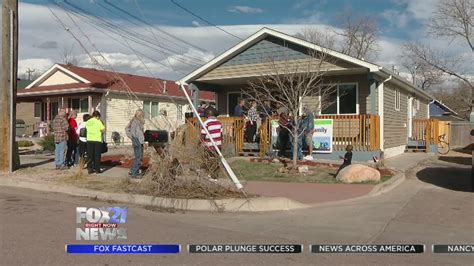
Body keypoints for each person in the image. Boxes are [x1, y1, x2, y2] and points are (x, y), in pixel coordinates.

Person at [200, 106, 222, 180]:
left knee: (208, 159)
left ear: (207, 115)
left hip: (209, 145)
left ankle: (211, 174)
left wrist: (199, 143)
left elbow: (202, 135)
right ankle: (214, 176)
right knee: (216, 160)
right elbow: (221, 134)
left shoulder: (206, 123)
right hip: (218, 145)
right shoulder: (219, 122)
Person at [125, 109, 145, 178]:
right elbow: (133, 132)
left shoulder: (139, 122)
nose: (141, 116)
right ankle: (134, 173)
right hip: (137, 141)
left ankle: (132, 171)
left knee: (139, 157)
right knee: (138, 157)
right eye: (140, 114)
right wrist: (133, 138)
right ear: (137, 115)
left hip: (140, 141)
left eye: (142, 114)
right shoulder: (135, 121)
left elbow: (127, 128)